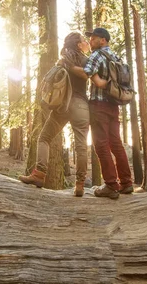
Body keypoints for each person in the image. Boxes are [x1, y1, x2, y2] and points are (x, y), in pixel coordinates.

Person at [19, 31, 104, 197]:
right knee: (81, 146)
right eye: (84, 41)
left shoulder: (63, 60)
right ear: (79, 45)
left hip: (62, 106)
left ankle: (39, 174)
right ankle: (79, 184)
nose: (87, 43)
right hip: (80, 106)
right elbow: (92, 76)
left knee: (44, 138)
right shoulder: (86, 61)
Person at [68, 27, 133, 199]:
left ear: (102, 40)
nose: (90, 40)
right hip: (114, 106)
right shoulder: (116, 56)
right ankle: (126, 183)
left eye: (94, 38)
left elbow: (87, 72)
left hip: (99, 106)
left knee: (101, 145)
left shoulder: (97, 55)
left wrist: (70, 66)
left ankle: (111, 185)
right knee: (116, 144)